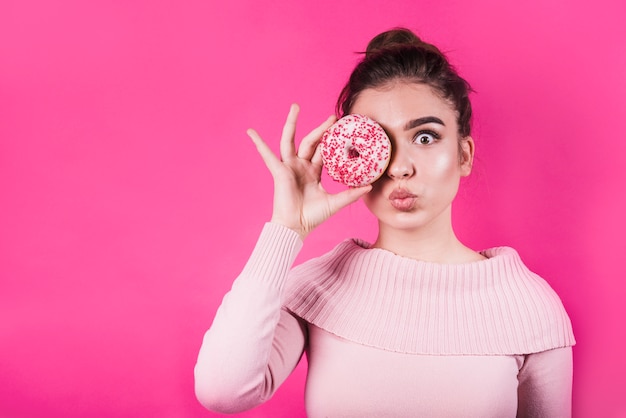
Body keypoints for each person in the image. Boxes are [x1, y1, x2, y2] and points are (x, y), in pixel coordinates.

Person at [194, 28, 575, 417]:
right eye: (376, 143)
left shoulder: (528, 307)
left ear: (464, 155)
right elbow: (223, 391)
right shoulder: (315, 290)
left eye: (425, 138)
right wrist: (285, 229)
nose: (398, 167)